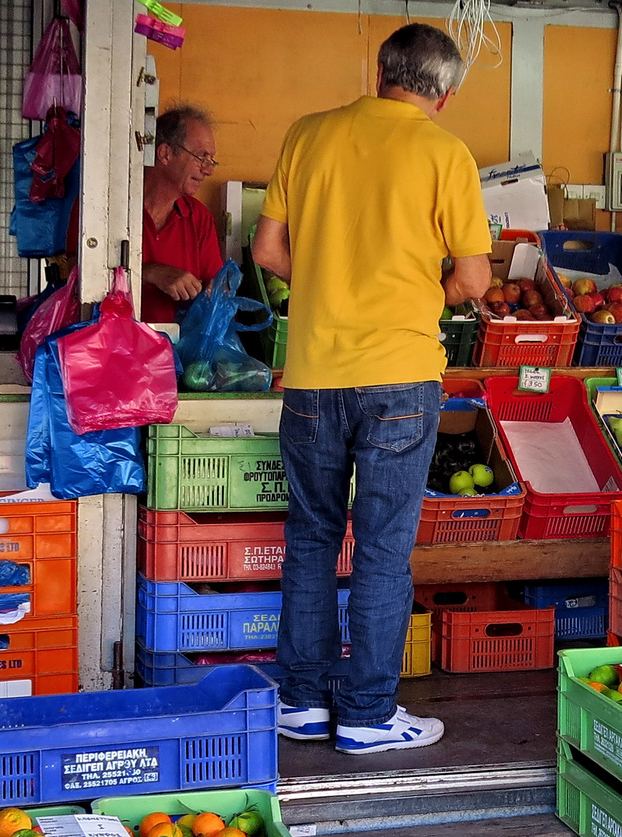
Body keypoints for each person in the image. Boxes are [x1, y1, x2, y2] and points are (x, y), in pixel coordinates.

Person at [252, 23, 492, 754]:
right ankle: (366, 715)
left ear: (380, 70)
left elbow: (267, 249)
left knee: (312, 539)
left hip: (316, 373)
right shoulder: (446, 152)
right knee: (384, 552)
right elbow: (476, 279)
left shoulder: (309, 134)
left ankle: (300, 702)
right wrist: (421, 298)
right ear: (444, 95)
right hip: (400, 375)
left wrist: (331, 291)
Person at [137, 104, 224, 322]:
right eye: (201, 157)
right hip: (109, 345)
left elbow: (217, 281)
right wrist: (150, 273)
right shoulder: (105, 206)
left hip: (178, 350)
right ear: (165, 153)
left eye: (211, 160)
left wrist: (217, 291)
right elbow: (77, 276)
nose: (209, 169)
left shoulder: (199, 218)